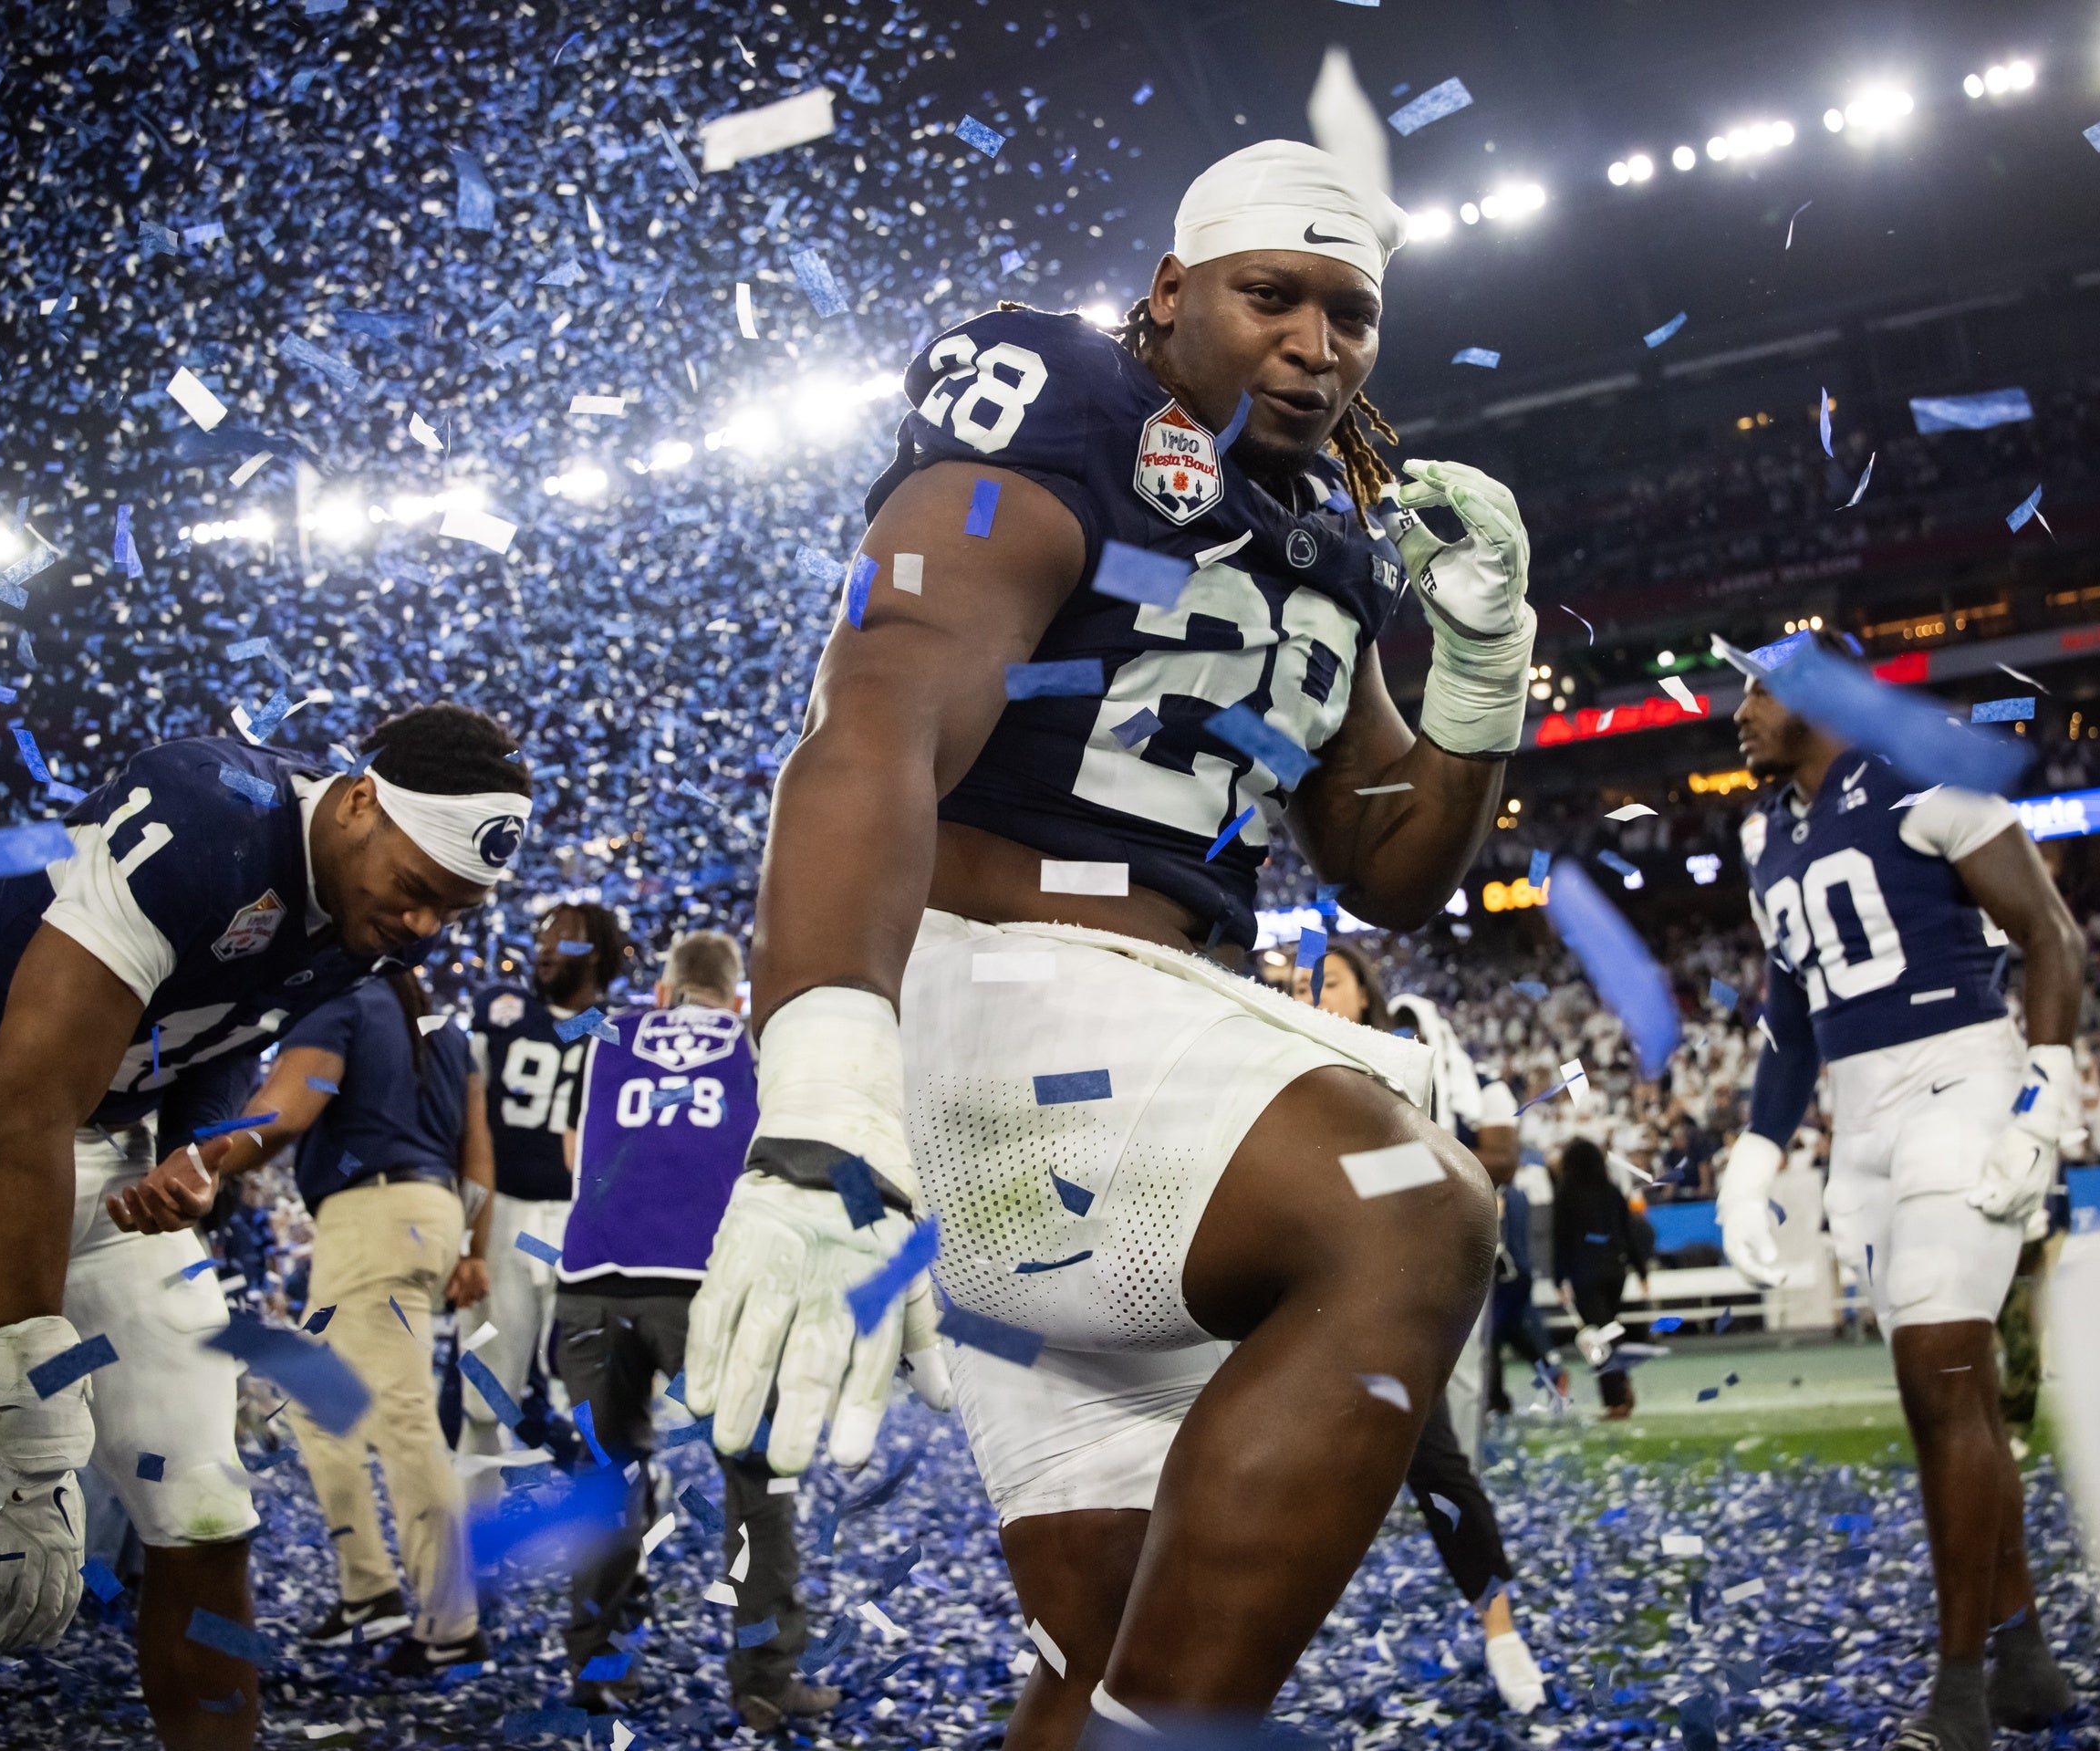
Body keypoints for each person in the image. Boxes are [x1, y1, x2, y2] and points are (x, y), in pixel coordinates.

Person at [683, 138, 1536, 1746]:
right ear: (1168, 289)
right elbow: (876, 713)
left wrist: (1483, 668)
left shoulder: (1327, 525)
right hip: (995, 1006)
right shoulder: (1061, 402)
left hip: (1130, 1084)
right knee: (1408, 1206)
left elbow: (1387, 866)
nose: (1313, 344)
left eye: (1349, 314)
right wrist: (821, 1087)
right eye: (1269, 294)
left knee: (1105, 1641)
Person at [0, 704, 530, 1750]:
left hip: (111, 1140)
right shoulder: (206, 817)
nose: (427, 924)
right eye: (418, 888)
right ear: (360, 803)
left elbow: (229, 1018)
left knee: (207, 1507)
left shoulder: (367, 907)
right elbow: (18, 1115)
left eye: (455, 906)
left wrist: (195, 1148)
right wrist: (33, 1432)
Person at [1718, 631, 2086, 1750]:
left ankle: (1959, 1691)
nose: (1737, 713)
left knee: (1941, 1374)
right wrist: (1755, 1150)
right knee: (1947, 1397)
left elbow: (2050, 935)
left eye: (1755, 689)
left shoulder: (1927, 776)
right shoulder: (1763, 833)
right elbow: (1791, 1018)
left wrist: (2043, 1100)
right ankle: (2024, 1660)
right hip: (1862, 1118)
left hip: (1961, 1083)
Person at [114, 967, 498, 1674]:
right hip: (432, 1210)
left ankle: (450, 1624)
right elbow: (478, 1151)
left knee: (403, 1419)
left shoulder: (342, 999)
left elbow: (283, 1112)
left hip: (371, 1218)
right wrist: (473, 1246)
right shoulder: (444, 1028)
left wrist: (201, 1162)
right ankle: (370, 1590)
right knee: (321, 1412)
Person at [554, 931, 848, 1731]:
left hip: (592, 1278)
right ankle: (764, 1678)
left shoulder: (606, 1031)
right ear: (736, 995)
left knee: (607, 1478)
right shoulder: (760, 1042)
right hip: (708, 1280)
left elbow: (572, 1143)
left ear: (663, 991)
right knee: (756, 1477)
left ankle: (599, 1669)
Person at [1302, 951, 1546, 1715]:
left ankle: (1501, 1631)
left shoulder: (1402, 1067)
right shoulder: (1274, 1059)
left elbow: (1457, 1165)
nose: (1312, 995)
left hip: (1387, 1287)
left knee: (1435, 1459)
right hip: (1287, 1289)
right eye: (1300, 985)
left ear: (1366, 994)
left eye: (1329, 981)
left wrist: (1358, 1181)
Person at [461, 901, 629, 1465]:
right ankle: (472, 1506)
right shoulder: (503, 1011)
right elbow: (466, 1115)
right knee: (484, 1396)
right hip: (503, 1213)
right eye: (542, 936)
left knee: (590, 1392)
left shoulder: (615, 1031)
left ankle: (605, 1500)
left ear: (596, 953)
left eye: (562, 937)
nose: (545, 947)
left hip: (582, 1224)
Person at [1549, 1140, 1643, 1419]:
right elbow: (1627, 1232)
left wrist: (1558, 1278)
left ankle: (1615, 1398)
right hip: (1615, 1271)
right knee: (1608, 1330)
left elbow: (1561, 1238)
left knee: (1597, 1338)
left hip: (1585, 1273)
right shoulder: (1611, 1190)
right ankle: (1621, 1387)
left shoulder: (1566, 1193)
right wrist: (1641, 1270)